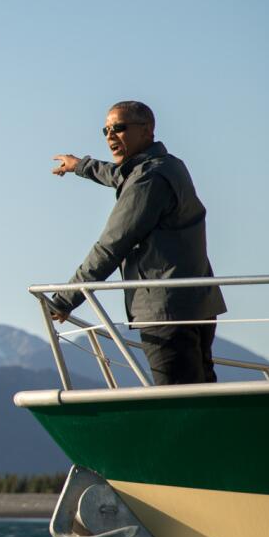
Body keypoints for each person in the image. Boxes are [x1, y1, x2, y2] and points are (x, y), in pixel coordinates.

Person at [49, 100, 225, 385]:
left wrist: (65, 299)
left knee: (179, 400)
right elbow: (121, 175)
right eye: (105, 130)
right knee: (200, 390)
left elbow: (113, 244)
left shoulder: (148, 179)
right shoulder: (166, 166)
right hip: (196, 303)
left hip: (165, 310)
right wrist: (80, 166)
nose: (109, 136)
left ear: (147, 130)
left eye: (118, 128)